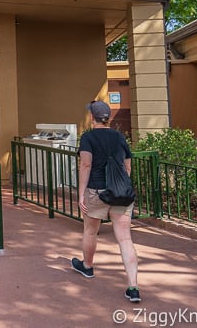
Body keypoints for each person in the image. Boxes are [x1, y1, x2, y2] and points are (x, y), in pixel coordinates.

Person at [72, 99, 141, 303]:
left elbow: (86, 165)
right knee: (125, 239)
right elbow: (127, 167)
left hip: (96, 191)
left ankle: (87, 266)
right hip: (120, 192)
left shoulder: (88, 138)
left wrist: (81, 193)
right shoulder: (120, 137)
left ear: (92, 117)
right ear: (108, 118)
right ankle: (133, 287)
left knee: (90, 230)